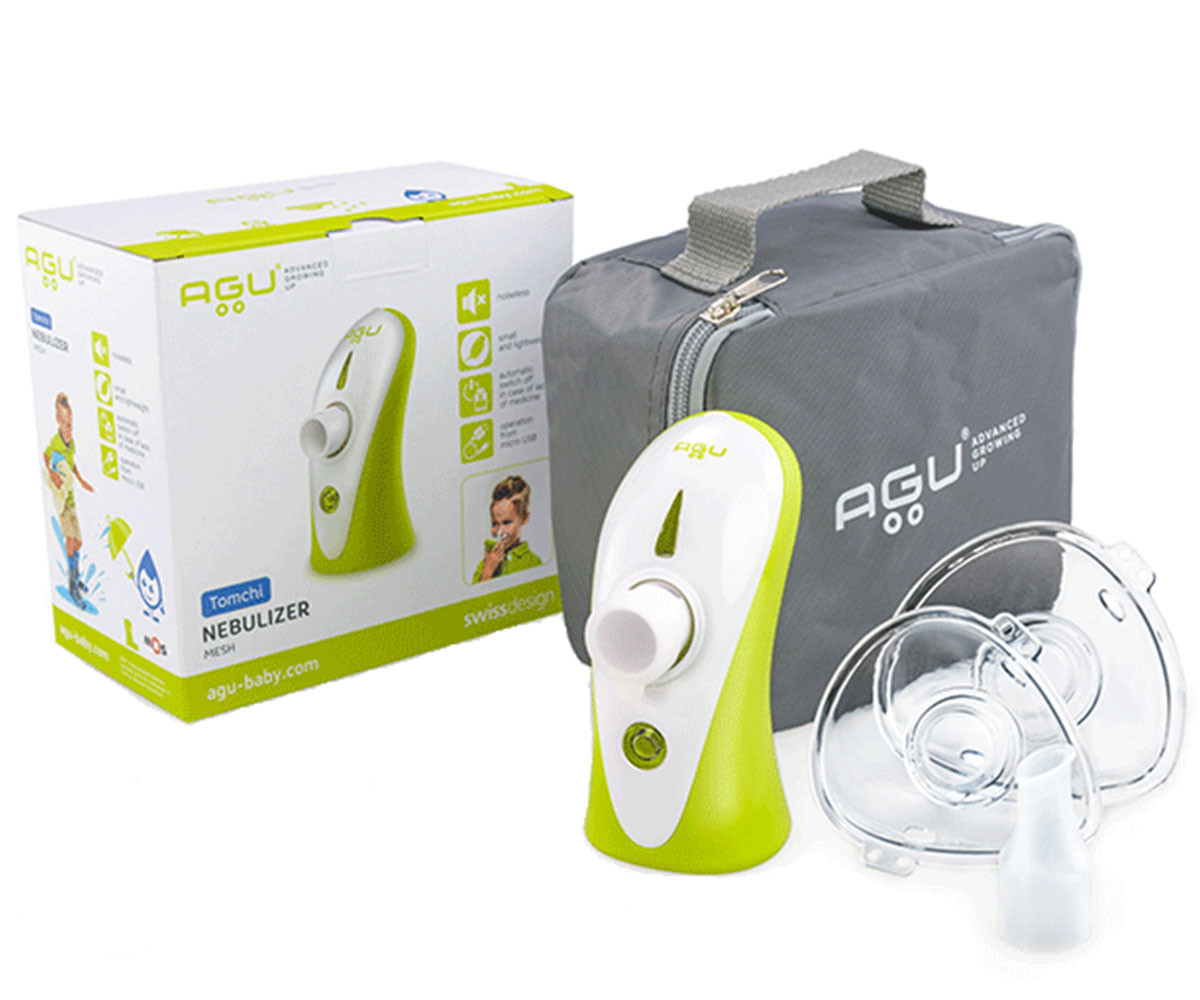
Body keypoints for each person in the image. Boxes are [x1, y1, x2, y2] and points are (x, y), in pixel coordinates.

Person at [44, 393, 94, 605]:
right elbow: (46, 456)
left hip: (72, 499)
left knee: (79, 542)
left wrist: (80, 479)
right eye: (65, 424)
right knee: (71, 541)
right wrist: (52, 474)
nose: (68, 428)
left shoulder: (71, 444)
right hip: (63, 500)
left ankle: (75, 576)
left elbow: (72, 463)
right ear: (58, 421)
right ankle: (72, 587)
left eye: (70, 424)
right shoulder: (56, 443)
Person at [473, 475, 543, 583]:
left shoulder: (533, 562)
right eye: (495, 524)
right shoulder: (485, 564)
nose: (500, 531)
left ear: (524, 518)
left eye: (507, 522)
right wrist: (487, 572)